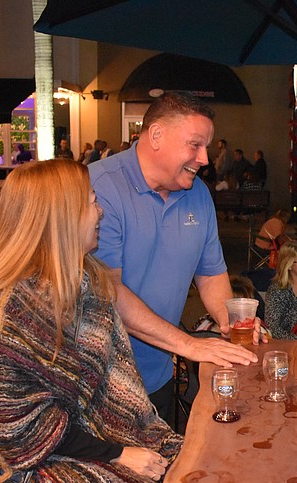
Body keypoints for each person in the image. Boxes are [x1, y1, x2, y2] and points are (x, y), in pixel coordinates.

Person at [0, 159, 183, 483]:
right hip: (10, 465)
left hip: (76, 440)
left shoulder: (85, 282)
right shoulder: (13, 304)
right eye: (91, 201)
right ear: (60, 219)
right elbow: (18, 433)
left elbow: (111, 385)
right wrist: (117, 454)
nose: (101, 209)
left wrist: (128, 440)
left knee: (187, 482)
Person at [90, 92, 258, 417]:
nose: (205, 159)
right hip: (101, 382)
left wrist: (230, 322)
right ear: (155, 136)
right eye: (195, 145)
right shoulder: (99, 188)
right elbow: (106, 293)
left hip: (160, 374)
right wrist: (188, 344)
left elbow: (210, 273)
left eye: (206, 147)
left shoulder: (198, 194)